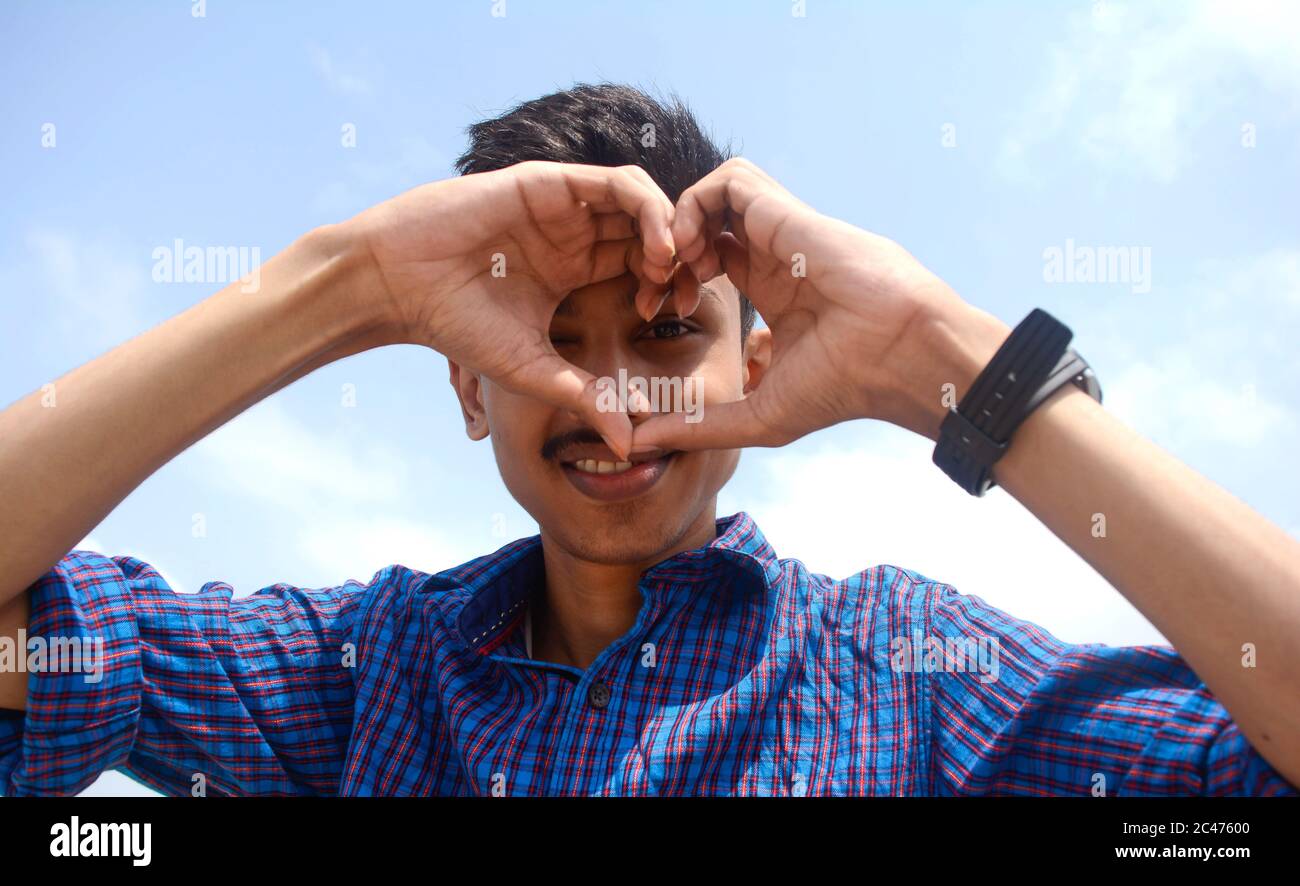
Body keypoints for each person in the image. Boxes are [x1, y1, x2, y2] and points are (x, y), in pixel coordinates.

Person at [0, 84, 1296, 797]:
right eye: (555, 340)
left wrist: (944, 357)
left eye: (671, 336)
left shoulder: (909, 679)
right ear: (466, 389)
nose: (613, 402)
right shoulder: (366, 672)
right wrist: (348, 282)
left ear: (759, 364)